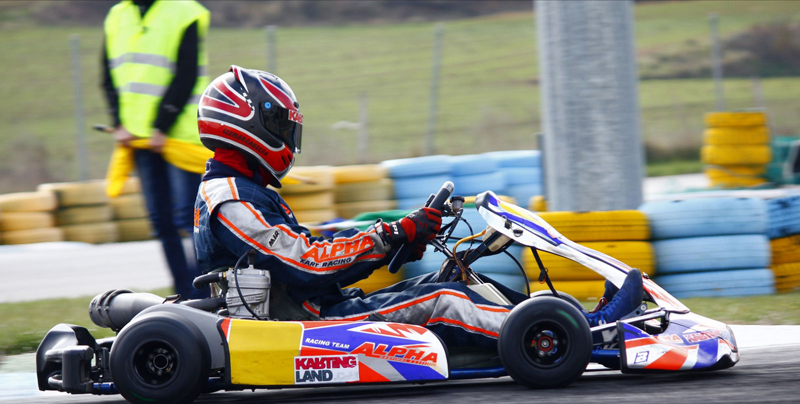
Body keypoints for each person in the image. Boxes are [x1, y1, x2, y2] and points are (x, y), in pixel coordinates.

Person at [193, 66, 644, 350]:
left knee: (453, 277)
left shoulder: (246, 190)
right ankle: (584, 336)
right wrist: (392, 234)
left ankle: (568, 322)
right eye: (279, 125)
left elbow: (310, 253)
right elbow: (304, 263)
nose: (288, 139)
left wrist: (400, 240)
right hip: (302, 327)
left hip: (317, 309)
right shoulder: (230, 199)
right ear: (243, 123)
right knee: (445, 301)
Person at [101, 0, 210, 299]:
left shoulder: (185, 11)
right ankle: (184, 295)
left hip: (179, 136)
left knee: (189, 218)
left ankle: (206, 292)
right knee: (161, 221)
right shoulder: (117, 16)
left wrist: (162, 125)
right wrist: (118, 121)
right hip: (138, 138)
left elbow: (186, 74)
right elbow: (108, 76)